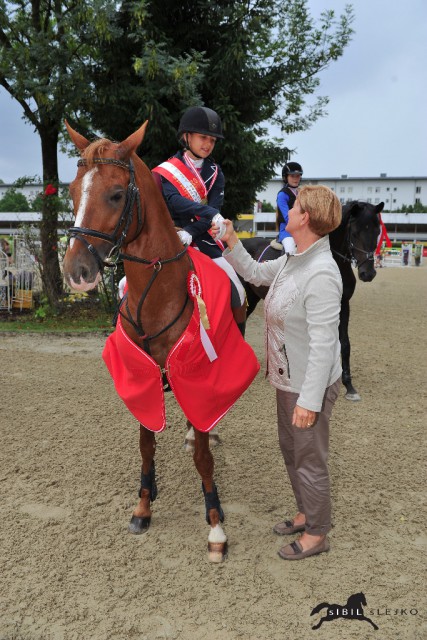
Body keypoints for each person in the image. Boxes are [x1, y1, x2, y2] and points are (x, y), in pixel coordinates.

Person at [212, 185, 342, 560]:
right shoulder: (294, 259)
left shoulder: (321, 274)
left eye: (295, 206)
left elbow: (323, 345)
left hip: (306, 386)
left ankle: (318, 534)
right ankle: (306, 512)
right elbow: (253, 271)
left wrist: (310, 400)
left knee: (309, 457)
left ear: (306, 218)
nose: (288, 208)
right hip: (288, 380)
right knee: (292, 450)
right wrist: (231, 238)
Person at [152, 106, 246, 315]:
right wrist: (208, 215)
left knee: (238, 291)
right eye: (203, 137)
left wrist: (192, 232)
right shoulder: (167, 171)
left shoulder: (215, 173)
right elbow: (174, 201)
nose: (208, 144)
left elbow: (214, 209)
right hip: (171, 236)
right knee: (126, 286)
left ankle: (235, 338)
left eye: (212, 140)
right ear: (187, 137)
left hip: (203, 238)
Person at [275, 162, 303, 255]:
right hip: (287, 231)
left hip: (302, 230)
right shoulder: (282, 195)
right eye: (292, 176)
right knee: (291, 250)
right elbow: (287, 217)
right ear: (285, 177)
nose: (296, 179)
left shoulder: (301, 194)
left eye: (298, 176)